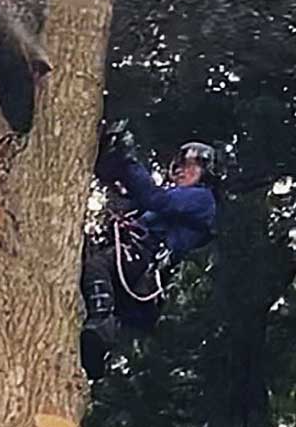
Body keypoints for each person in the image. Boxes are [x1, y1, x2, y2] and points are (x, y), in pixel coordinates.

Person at [81, 124, 219, 379]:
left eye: (189, 167)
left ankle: (101, 325)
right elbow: (131, 198)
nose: (181, 172)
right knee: (82, 262)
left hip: (145, 260)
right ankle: (92, 354)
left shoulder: (201, 199)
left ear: (205, 173)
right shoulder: (169, 202)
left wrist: (129, 163)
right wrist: (113, 168)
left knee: (97, 267)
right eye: (178, 167)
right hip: (135, 263)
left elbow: (156, 199)